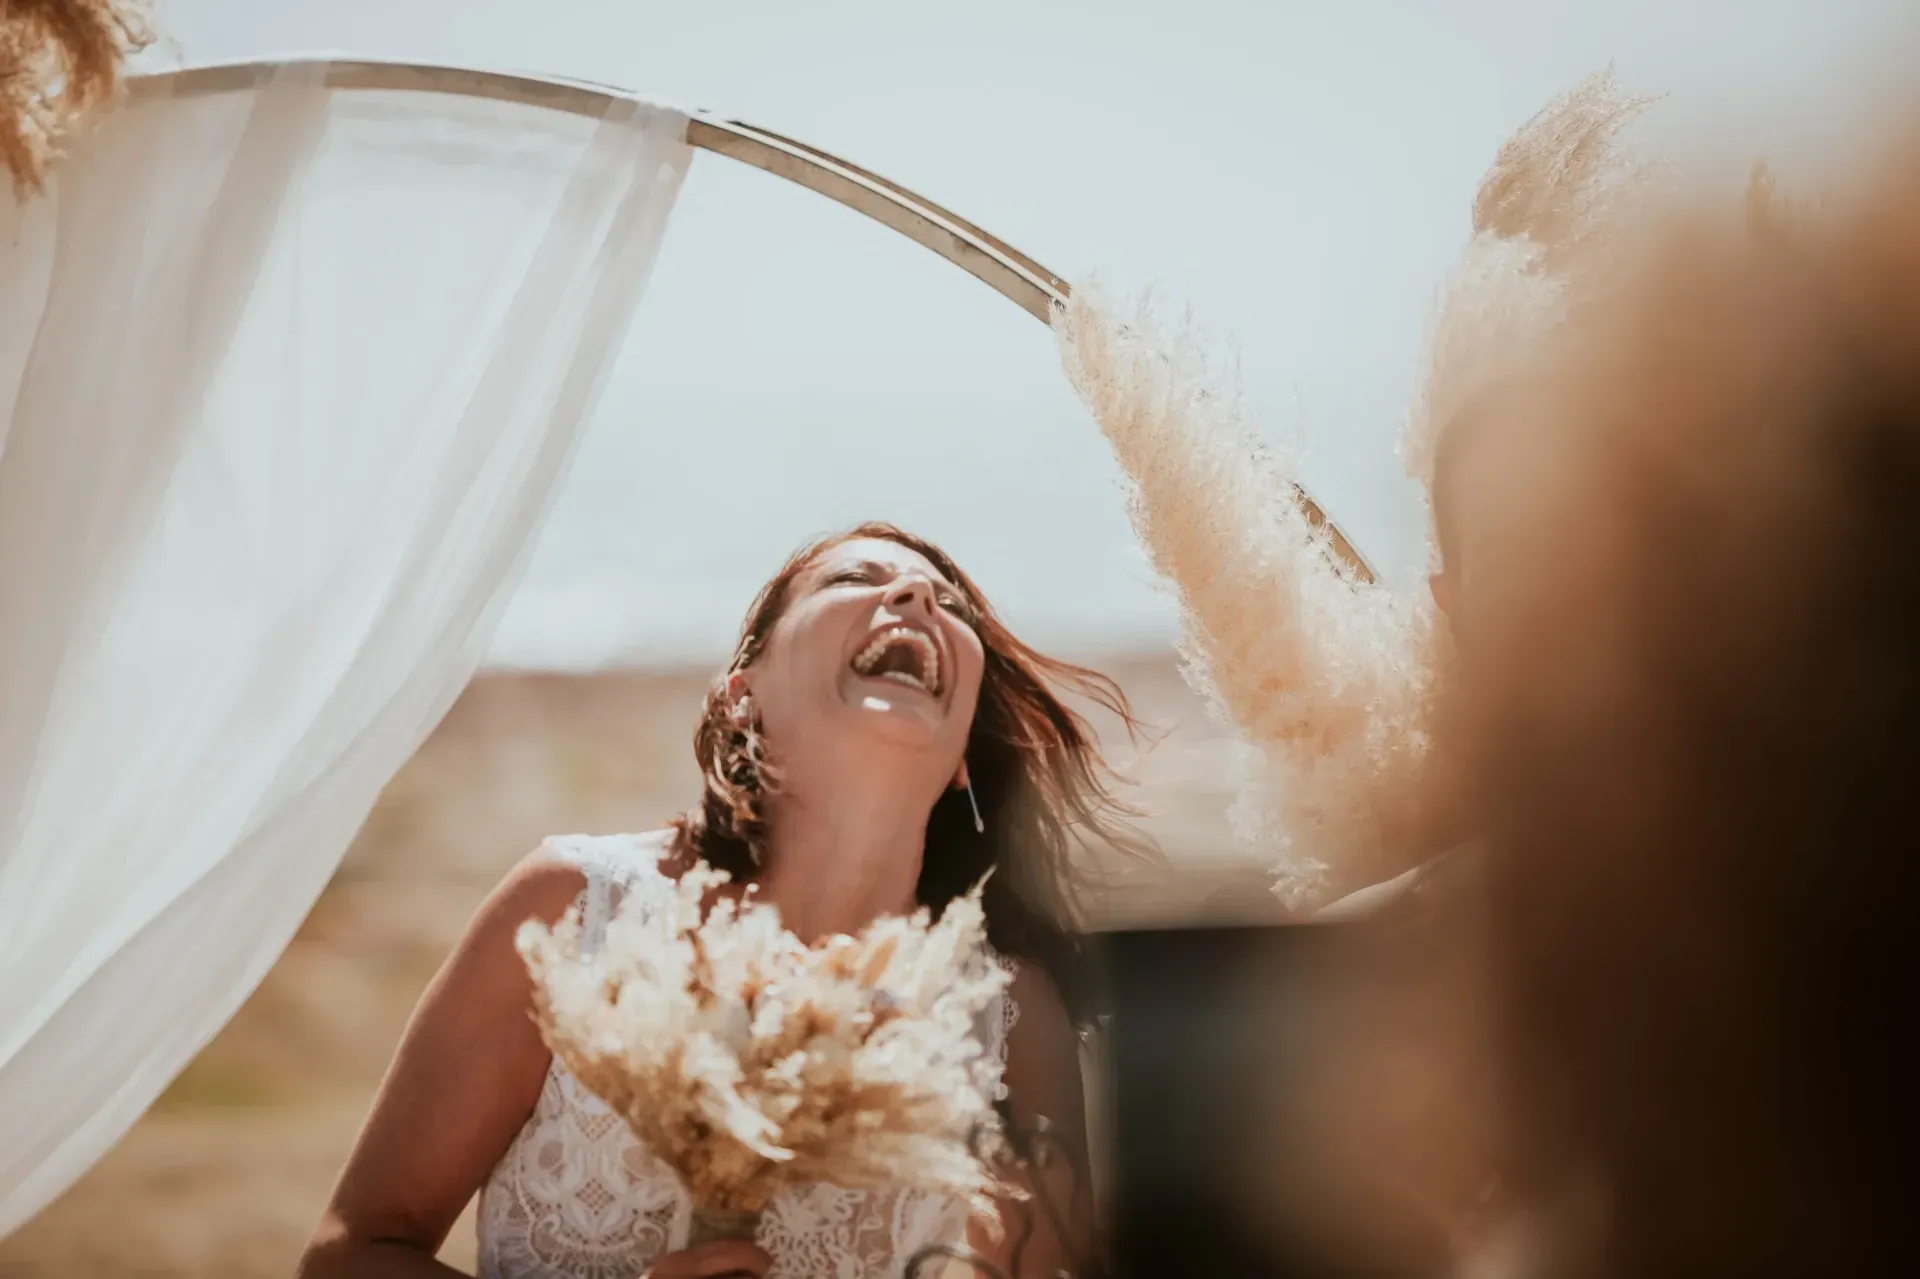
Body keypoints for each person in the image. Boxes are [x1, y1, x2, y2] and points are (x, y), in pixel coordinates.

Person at [297, 522, 1148, 1279]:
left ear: (962, 752)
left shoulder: (1004, 1017)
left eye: (947, 600)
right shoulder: (573, 911)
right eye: (852, 580)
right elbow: (348, 1253)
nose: (917, 594)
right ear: (744, 695)